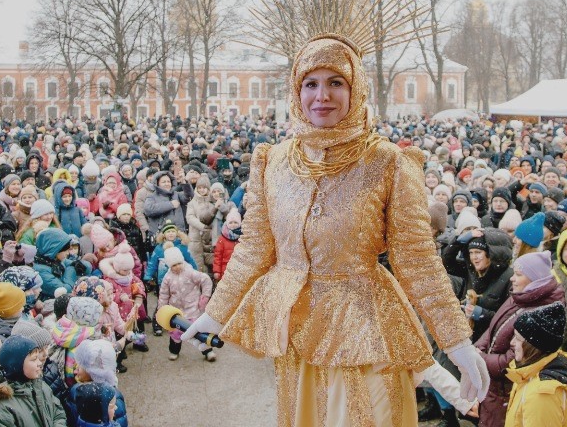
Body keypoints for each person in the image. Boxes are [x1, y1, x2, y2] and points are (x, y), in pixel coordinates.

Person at [182, 34, 488, 425]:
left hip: (365, 332)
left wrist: (456, 340)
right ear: (296, 90)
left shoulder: (387, 162)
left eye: (335, 82)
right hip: (297, 336)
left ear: (355, 87)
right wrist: (217, 311)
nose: (321, 96)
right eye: (311, 83)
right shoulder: (273, 162)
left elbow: (417, 260)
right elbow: (256, 246)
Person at [474, 251, 565, 427]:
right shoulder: (521, 296)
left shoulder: (540, 312)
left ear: (535, 278)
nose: (512, 279)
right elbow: (494, 327)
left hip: (506, 389)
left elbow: (514, 360)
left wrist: (480, 358)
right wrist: (479, 347)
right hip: (494, 387)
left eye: (518, 274)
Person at [504, 302, 567, 426]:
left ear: (534, 346)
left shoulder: (542, 395)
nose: (512, 343)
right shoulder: (530, 373)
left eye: (518, 338)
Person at [0, 335, 67, 427]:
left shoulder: (41, 386)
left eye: (38, 358)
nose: (39, 363)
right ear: (17, 365)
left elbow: (58, 412)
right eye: (33, 359)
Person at [158, 245, 214, 361]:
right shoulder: (167, 278)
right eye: (174, 265)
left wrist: (205, 296)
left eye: (179, 263)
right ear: (169, 265)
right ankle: (174, 351)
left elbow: (206, 280)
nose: (177, 267)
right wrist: (161, 311)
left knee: (199, 332)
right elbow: (163, 295)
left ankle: (207, 351)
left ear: (182, 261)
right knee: (175, 334)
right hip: (176, 312)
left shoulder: (190, 272)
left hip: (192, 308)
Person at [213, 207, 242, 281]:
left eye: (235, 222)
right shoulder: (222, 239)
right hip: (225, 270)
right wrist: (217, 271)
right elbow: (218, 256)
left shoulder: (242, 237)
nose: (233, 225)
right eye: (231, 222)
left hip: (239, 270)